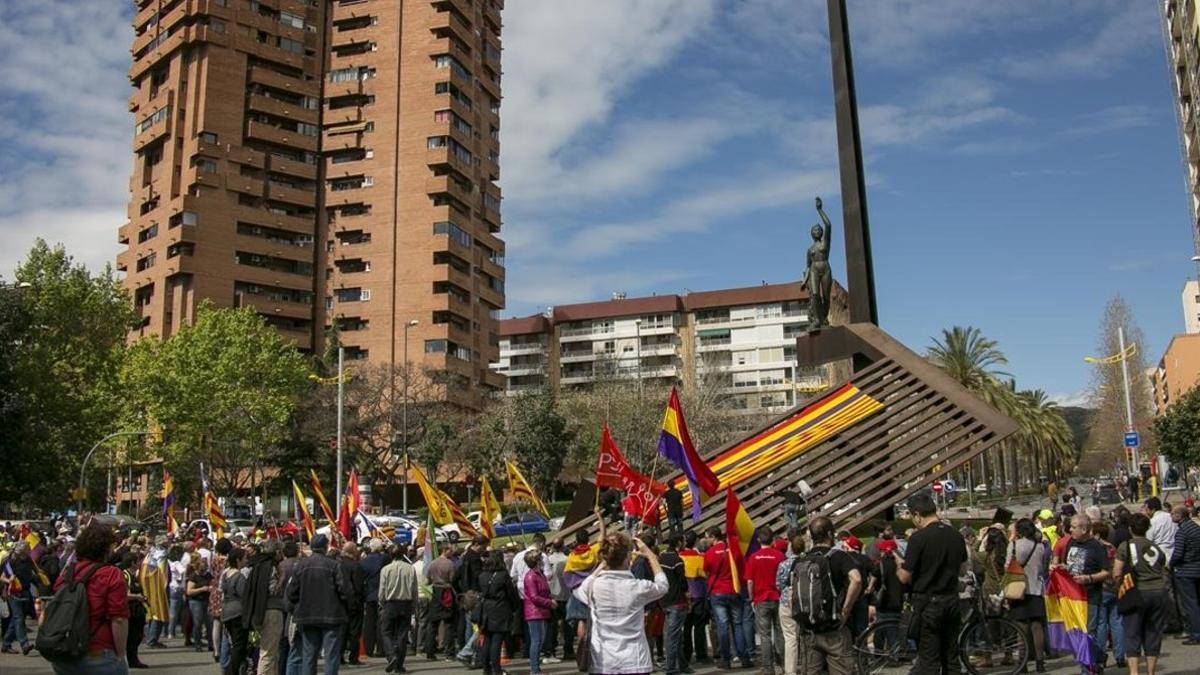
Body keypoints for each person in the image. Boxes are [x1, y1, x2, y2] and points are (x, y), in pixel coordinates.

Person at [573, 532, 669, 674]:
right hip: (634, 659)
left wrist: (603, 564)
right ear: (628, 557)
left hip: (603, 661)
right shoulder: (638, 587)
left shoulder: (593, 586)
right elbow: (663, 585)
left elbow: (582, 588)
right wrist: (650, 555)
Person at [896, 492, 965, 675]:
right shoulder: (955, 535)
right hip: (951, 599)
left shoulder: (918, 539)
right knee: (951, 656)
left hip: (928, 603)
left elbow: (904, 576)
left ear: (917, 514)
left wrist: (897, 566)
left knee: (929, 658)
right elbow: (963, 568)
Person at [50, 523, 131, 675]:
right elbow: (118, 619)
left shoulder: (68, 572)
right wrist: (121, 655)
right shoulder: (111, 574)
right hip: (97, 651)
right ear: (105, 549)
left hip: (63, 651)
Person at [797, 516, 862, 675]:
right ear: (830, 534)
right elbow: (857, 579)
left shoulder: (801, 560)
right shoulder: (839, 556)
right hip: (834, 627)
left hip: (809, 629)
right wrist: (846, 611)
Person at [286, 533, 354, 675]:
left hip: (308, 616)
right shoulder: (334, 565)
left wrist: (297, 607)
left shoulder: (301, 566)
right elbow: (345, 590)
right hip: (332, 616)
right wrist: (347, 607)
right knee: (331, 656)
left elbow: (291, 592)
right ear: (325, 547)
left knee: (309, 656)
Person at [1113, 513, 1168, 675]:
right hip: (1158, 592)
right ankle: (1151, 672)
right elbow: (1162, 565)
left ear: (1130, 529)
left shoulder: (1125, 546)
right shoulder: (1155, 546)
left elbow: (1117, 572)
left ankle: (1135, 672)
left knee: (1132, 632)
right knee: (1153, 633)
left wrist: (1118, 587)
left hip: (1136, 592)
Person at [1057, 514, 1109, 675]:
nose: (1070, 529)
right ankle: (1099, 656)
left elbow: (1106, 572)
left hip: (1090, 596)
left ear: (1084, 529)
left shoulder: (1096, 547)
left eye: (1073, 526)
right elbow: (1068, 564)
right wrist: (1060, 567)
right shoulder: (1071, 542)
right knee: (1077, 634)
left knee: (1088, 633)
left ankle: (1087, 670)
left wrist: (1089, 578)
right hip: (1072, 596)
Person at [703, 525, 751, 669]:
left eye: (707, 537)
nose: (706, 540)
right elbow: (742, 568)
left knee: (722, 626)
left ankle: (726, 659)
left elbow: (706, 573)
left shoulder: (710, 553)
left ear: (713, 537)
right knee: (737, 624)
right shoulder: (733, 551)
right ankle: (744, 657)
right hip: (733, 590)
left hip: (717, 592)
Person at [1006, 518, 1047, 673]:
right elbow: (1042, 567)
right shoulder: (1039, 547)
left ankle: (1022, 663)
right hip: (1036, 589)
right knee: (1037, 626)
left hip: (1019, 589)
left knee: (1021, 627)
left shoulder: (1014, 545)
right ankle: (1040, 661)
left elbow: (1007, 565)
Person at [746, 527, 786, 674]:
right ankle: (781, 664)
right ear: (773, 540)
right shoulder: (780, 556)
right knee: (779, 632)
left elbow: (750, 581)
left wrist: (751, 597)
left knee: (765, 635)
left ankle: (768, 667)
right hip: (778, 598)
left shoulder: (754, 557)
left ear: (758, 540)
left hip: (761, 599)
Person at [244, 540, 284, 675]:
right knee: (268, 652)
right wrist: (282, 579)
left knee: (269, 652)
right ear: (277, 552)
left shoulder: (255, 565)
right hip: (271, 611)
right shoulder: (271, 566)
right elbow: (272, 590)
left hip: (258, 611)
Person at [478, 550, 520, 675]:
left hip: (486, 608)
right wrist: (514, 606)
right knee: (497, 640)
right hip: (500, 608)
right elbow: (511, 593)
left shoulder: (482, 575)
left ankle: (486, 668)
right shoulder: (503, 575)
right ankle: (496, 669)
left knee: (487, 639)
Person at [379, 544, 418, 674]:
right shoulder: (410, 569)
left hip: (391, 603)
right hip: (406, 603)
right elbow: (414, 589)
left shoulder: (386, 569)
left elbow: (382, 590)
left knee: (386, 631)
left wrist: (382, 603)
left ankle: (391, 655)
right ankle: (399, 664)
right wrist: (414, 605)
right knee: (402, 634)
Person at [1092, 520, 1125, 672]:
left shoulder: (1095, 548)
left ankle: (1101, 657)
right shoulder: (1112, 547)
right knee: (1117, 623)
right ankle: (1120, 656)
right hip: (1114, 587)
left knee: (1101, 624)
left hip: (1101, 588)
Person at [658, 533, 690, 675]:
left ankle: (682, 665)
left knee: (675, 635)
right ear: (678, 543)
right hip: (677, 601)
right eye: (683, 541)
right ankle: (671, 667)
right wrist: (687, 595)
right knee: (673, 636)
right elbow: (683, 583)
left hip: (664, 601)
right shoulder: (677, 560)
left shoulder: (661, 558)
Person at [1169, 504, 1200, 646]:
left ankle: (1196, 633)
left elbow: (1178, 553)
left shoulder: (1182, 532)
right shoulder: (1194, 528)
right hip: (1196, 568)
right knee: (1196, 602)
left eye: (1173, 514)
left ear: (1179, 516)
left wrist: (1171, 563)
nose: (1170, 516)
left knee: (1190, 604)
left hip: (1185, 571)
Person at [522, 550, 556, 675]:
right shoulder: (531, 576)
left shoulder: (539, 574)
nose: (542, 561)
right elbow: (534, 596)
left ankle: (536, 669)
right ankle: (535, 670)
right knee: (536, 641)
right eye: (540, 559)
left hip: (541, 611)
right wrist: (549, 602)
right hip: (534, 612)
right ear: (536, 561)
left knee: (540, 640)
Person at [423, 545, 458, 661]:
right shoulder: (450, 564)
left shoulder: (433, 563)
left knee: (433, 624)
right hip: (446, 592)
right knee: (449, 624)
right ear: (445, 550)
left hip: (435, 592)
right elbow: (453, 579)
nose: (452, 553)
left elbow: (427, 579)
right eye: (450, 550)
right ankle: (449, 652)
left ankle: (429, 652)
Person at [679, 531, 709, 665]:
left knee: (686, 626)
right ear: (695, 541)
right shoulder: (700, 557)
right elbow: (705, 575)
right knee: (699, 626)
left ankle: (686, 654)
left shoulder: (680, 557)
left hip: (685, 594)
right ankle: (701, 654)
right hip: (699, 593)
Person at [1, 540, 35, 655]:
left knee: (16, 619)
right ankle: (24, 644)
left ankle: (6, 644)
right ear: (22, 550)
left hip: (25, 591)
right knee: (19, 618)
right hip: (13, 593)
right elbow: (2, 577)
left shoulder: (29, 560)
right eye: (28, 547)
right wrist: (8, 580)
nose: (30, 548)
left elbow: (32, 573)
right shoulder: (10, 561)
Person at [777, 534, 804, 675]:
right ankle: (807, 666)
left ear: (791, 548)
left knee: (790, 637)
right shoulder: (809, 562)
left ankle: (790, 670)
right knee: (805, 636)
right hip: (805, 601)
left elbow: (779, 583)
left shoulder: (784, 564)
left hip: (787, 600)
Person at [220, 547, 249, 675]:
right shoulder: (239, 576)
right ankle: (232, 671)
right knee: (239, 644)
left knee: (234, 643)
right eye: (245, 558)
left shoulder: (226, 574)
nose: (246, 561)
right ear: (238, 560)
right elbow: (244, 594)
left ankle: (233, 668)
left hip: (226, 611)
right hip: (237, 611)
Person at [119, 551, 150, 669]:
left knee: (137, 636)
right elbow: (125, 594)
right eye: (137, 561)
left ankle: (134, 658)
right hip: (131, 609)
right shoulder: (125, 575)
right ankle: (131, 660)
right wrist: (138, 597)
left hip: (138, 609)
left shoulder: (134, 575)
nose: (140, 563)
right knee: (132, 636)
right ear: (132, 563)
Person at [337, 542, 365, 666]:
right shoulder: (355, 566)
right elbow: (358, 586)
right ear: (353, 551)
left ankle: (340, 656)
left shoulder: (338, 565)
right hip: (354, 602)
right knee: (354, 631)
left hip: (341, 602)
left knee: (342, 630)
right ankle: (353, 657)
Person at [360, 538, 388, 659]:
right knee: (382, 622)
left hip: (369, 594)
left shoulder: (364, 562)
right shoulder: (385, 559)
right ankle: (381, 648)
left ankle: (368, 648)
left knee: (369, 622)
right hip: (382, 594)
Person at [186, 556, 213, 653]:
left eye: (205, 567)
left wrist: (211, 588)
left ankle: (211, 644)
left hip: (207, 600)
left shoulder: (208, 575)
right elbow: (189, 591)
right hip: (196, 601)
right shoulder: (193, 576)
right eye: (202, 567)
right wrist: (202, 589)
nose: (204, 569)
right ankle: (198, 644)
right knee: (198, 623)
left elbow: (212, 584)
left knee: (210, 623)